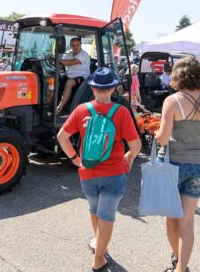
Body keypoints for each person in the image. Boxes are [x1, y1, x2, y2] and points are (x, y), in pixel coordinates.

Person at [57, 67, 141, 272]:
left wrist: (76, 159)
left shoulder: (81, 110)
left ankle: (99, 245)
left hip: (88, 172)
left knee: (95, 211)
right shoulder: (121, 111)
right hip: (114, 172)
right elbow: (136, 144)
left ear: (93, 88)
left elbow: (62, 137)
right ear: (112, 88)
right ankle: (98, 260)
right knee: (107, 215)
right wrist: (129, 157)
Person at [154, 56, 200, 272]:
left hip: (172, 165)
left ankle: (176, 257)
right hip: (196, 167)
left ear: (177, 75)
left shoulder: (172, 101)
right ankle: (181, 268)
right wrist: (195, 142)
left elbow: (163, 138)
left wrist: (156, 133)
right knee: (187, 221)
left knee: (170, 217)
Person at [57, 38, 91, 114]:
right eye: (73, 45)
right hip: (69, 76)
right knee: (55, 81)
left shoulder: (84, 54)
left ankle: (59, 108)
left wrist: (57, 61)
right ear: (71, 45)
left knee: (69, 83)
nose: (75, 47)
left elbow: (71, 62)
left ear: (80, 45)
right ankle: (49, 103)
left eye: (77, 44)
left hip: (82, 79)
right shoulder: (69, 54)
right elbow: (62, 64)